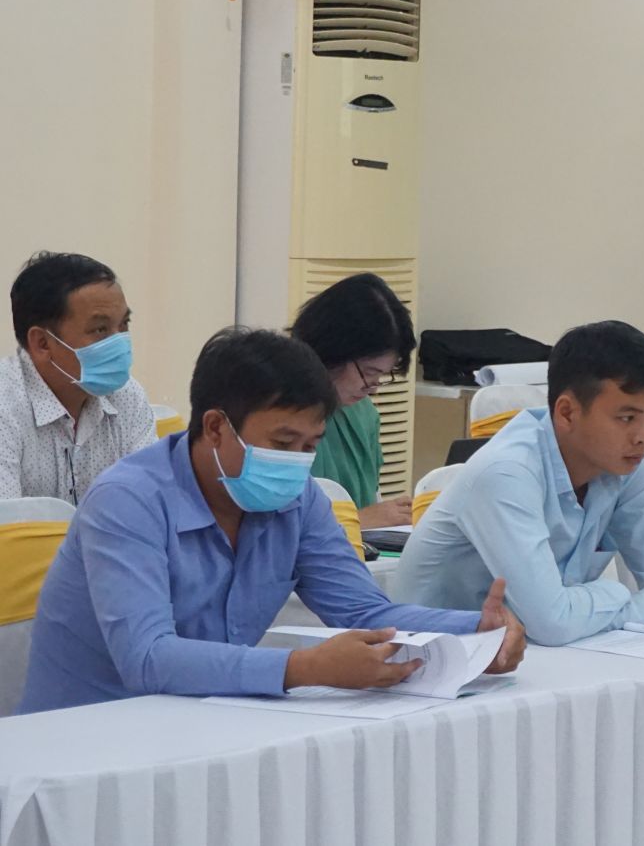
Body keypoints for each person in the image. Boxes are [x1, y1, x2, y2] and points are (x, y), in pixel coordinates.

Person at [17, 328, 525, 714]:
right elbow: (148, 658)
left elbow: (365, 611)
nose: (296, 463)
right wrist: (303, 668)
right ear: (216, 427)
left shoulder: (297, 500)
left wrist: (475, 632)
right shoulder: (128, 501)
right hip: (89, 737)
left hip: (205, 721)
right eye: (282, 443)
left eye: (310, 446)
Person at [393, 320, 644, 645]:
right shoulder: (506, 473)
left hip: (530, 653)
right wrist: (616, 593)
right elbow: (551, 624)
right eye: (626, 418)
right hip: (437, 659)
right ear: (566, 413)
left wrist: (594, 611)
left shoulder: (628, 467)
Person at [0, 251, 156, 503]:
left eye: (124, 325)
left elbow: (149, 508)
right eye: (100, 329)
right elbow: (8, 526)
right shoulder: (5, 407)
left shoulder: (127, 396)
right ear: (42, 343)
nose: (119, 342)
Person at [290, 272, 416, 528]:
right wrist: (359, 520)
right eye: (368, 373)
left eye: (381, 376)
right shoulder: (277, 412)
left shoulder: (362, 412)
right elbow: (270, 525)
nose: (373, 389)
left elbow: (369, 499)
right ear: (332, 352)